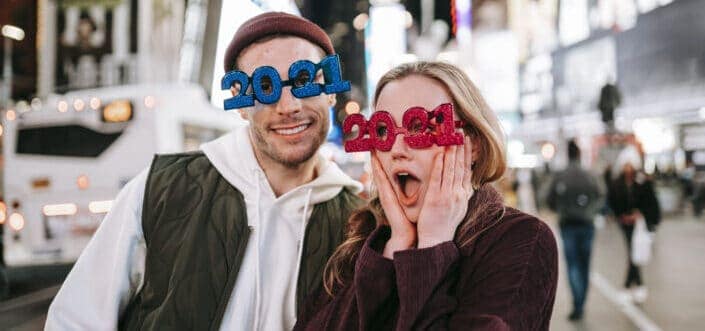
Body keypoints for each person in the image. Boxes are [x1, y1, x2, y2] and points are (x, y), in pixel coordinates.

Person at [46, 12, 363, 330]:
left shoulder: (358, 222)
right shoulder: (163, 189)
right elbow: (75, 319)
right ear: (241, 104)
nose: (289, 106)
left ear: (330, 91)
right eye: (264, 87)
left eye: (305, 82)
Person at [294, 61, 558, 330]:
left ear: (473, 145)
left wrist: (432, 246)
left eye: (420, 127)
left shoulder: (521, 239)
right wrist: (393, 248)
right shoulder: (359, 236)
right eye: (383, 130)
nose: (397, 149)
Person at [546, 140, 604, 321]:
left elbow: (548, 199)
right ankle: (582, 302)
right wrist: (592, 211)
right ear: (579, 154)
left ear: (567, 154)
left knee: (572, 265)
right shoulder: (590, 174)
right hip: (587, 224)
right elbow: (601, 196)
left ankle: (577, 303)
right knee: (585, 264)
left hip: (568, 224)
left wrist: (561, 209)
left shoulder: (560, 175)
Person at [607, 146, 660, 304]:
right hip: (625, 223)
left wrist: (639, 214)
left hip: (639, 223)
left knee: (633, 253)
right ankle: (638, 285)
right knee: (632, 252)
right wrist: (621, 216)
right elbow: (612, 201)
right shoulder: (617, 183)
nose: (628, 168)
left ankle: (629, 286)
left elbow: (650, 203)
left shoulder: (642, 181)